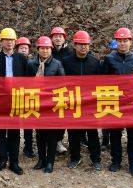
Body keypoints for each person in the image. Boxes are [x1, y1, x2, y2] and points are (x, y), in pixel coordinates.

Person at [0, 27, 28, 175]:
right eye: (6, 40)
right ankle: (2, 159)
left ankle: (14, 162)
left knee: (15, 132)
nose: (9, 42)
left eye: (11, 40)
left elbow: (28, 81)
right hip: (0, 100)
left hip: (16, 100)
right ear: (1, 41)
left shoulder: (21, 58)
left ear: (15, 41)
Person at [101, 27, 133, 176]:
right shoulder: (109, 59)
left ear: (130, 42)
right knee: (115, 134)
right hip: (114, 102)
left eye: (125, 40)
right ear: (116, 42)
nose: (123, 43)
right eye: (120, 41)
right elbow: (102, 82)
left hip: (132, 103)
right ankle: (116, 161)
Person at [62, 30, 103, 171]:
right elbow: (61, 82)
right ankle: (75, 157)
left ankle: (96, 159)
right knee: (73, 133)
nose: (83, 47)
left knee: (92, 133)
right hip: (73, 102)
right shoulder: (66, 62)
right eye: (80, 44)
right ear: (74, 45)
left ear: (89, 46)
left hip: (90, 104)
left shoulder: (95, 62)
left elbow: (101, 83)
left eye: (85, 44)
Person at [27, 36, 64, 173]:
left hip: (52, 104)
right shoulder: (31, 64)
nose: (45, 50)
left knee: (52, 135)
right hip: (37, 103)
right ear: (38, 49)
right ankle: (41, 160)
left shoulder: (57, 64)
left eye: (47, 48)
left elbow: (63, 84)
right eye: (42, 48)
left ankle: (50, 162)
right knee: (40, 134)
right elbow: (24, 84)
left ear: (51, 49)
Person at [50, 26, 72, 154]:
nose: (58, 38)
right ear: (51, 38)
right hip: (49, 90)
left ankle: (59, 140)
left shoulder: (70, 52)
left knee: (63, 116)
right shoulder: (48, 50)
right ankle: (50, 141)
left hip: (65, 90)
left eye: (60, 36)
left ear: (64, 38)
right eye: (55, 36)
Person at [16, 36, 35, 158]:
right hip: (16, 95)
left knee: (28, 124)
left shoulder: (33, 63)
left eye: (25, 48)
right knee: (15, 123)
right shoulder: (13, 61)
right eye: (21, 48)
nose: (23, 50)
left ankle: (28, 148)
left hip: (29, 95)